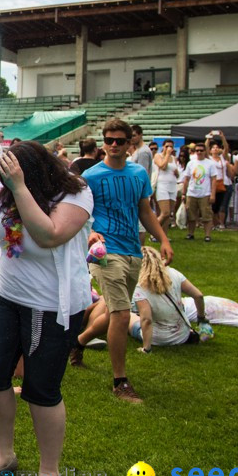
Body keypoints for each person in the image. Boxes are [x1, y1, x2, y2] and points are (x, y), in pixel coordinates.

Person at [0, 141, 93, 476]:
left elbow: (50, 234)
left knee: (41, 389)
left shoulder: (76, 193)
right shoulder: (8, 189)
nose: (4, 183)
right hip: (3, 296)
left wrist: (18, 186)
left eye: (11, 176)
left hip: (51, 306)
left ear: (34, 172)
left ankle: (49, 471)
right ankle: (4, 455)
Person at [75, 118, 172, 404]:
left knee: (115, 311)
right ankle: (120, 382)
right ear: (102, 142)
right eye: (109, 140)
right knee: (119, 313)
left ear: (130, 143)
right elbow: (81, 213)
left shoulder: (139, 173)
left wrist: (163, 239)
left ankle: (77, 342)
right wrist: (91, 233)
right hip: (105, 252)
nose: (114, 145)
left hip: (132, 250)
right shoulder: (90, 176)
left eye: (120, 140)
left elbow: (145, 211)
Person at [127, 247, 209, 351]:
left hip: (157, 338)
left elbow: (146, 319)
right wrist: (201, 318)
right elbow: (198, 296)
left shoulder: (140, 286)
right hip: (182, 335)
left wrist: (146, 348)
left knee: (128, 315)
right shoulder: (174, 273)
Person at [180, 141, 218, 242]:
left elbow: (214, 179)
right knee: (191, 216)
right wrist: (184, 193)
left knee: (206, 216)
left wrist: (213, 194)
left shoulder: (210, 164)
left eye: (201, 150)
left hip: (205, 193)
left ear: (205, 151)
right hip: (192, 193)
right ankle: (190, 233)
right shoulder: (191, 163)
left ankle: (207, 235)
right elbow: (187, 179)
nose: (199, 152)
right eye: (197, 150)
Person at [153, 139, 180, 229]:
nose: (169, 148)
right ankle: (153, 230)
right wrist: (167, 154)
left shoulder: (174, 158)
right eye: (167, 146)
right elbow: (162, 166)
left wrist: (177, 173)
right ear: (163, 147)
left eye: (171, 147)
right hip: (162, 186)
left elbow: (177, 173)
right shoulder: (158, 155)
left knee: (168, 214)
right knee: (165, 212)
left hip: (172, 186)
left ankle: (163, 235)